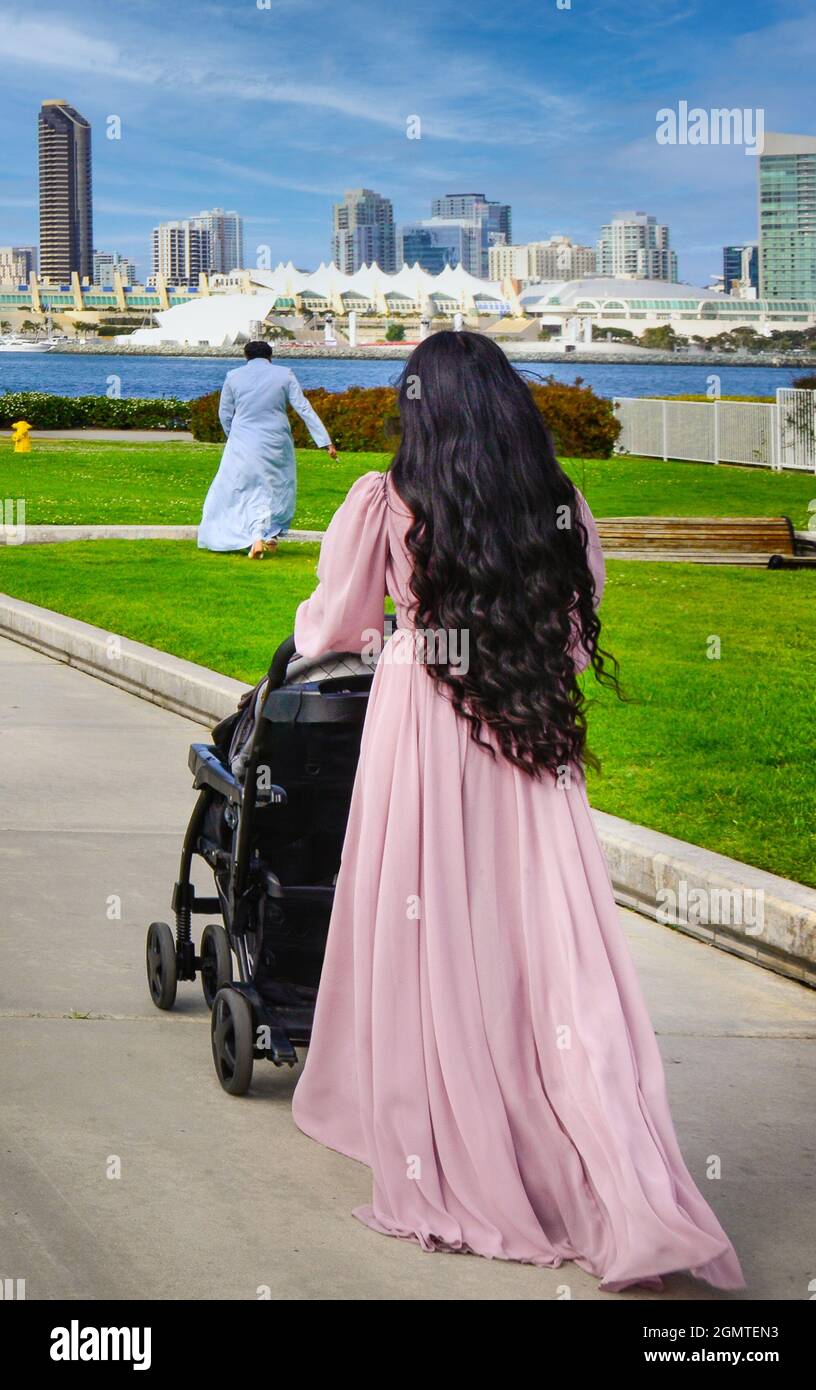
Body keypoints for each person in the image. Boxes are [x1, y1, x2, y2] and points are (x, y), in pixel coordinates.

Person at [290, 332, 744, 1293]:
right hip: (530, 737)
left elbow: (334, 627)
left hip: (424, 731)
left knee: (433, 935)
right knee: (546, 945)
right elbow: (574, 638)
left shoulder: (384, 499)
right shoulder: (560, 503)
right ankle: (596, 1153)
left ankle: (459, 1124)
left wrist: (389, 636)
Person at [197, 341, 337, 559]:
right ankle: (268, 533)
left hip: (243, 438)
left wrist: (233, 435)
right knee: (276, 486)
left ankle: (254, 536)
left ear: (246, 356)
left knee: (240, 487)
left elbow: (225, 413)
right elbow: (303, 407)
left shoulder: (233, 376)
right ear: (270, 356)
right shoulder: (284, 374)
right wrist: (325, 441)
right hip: (276, 439)